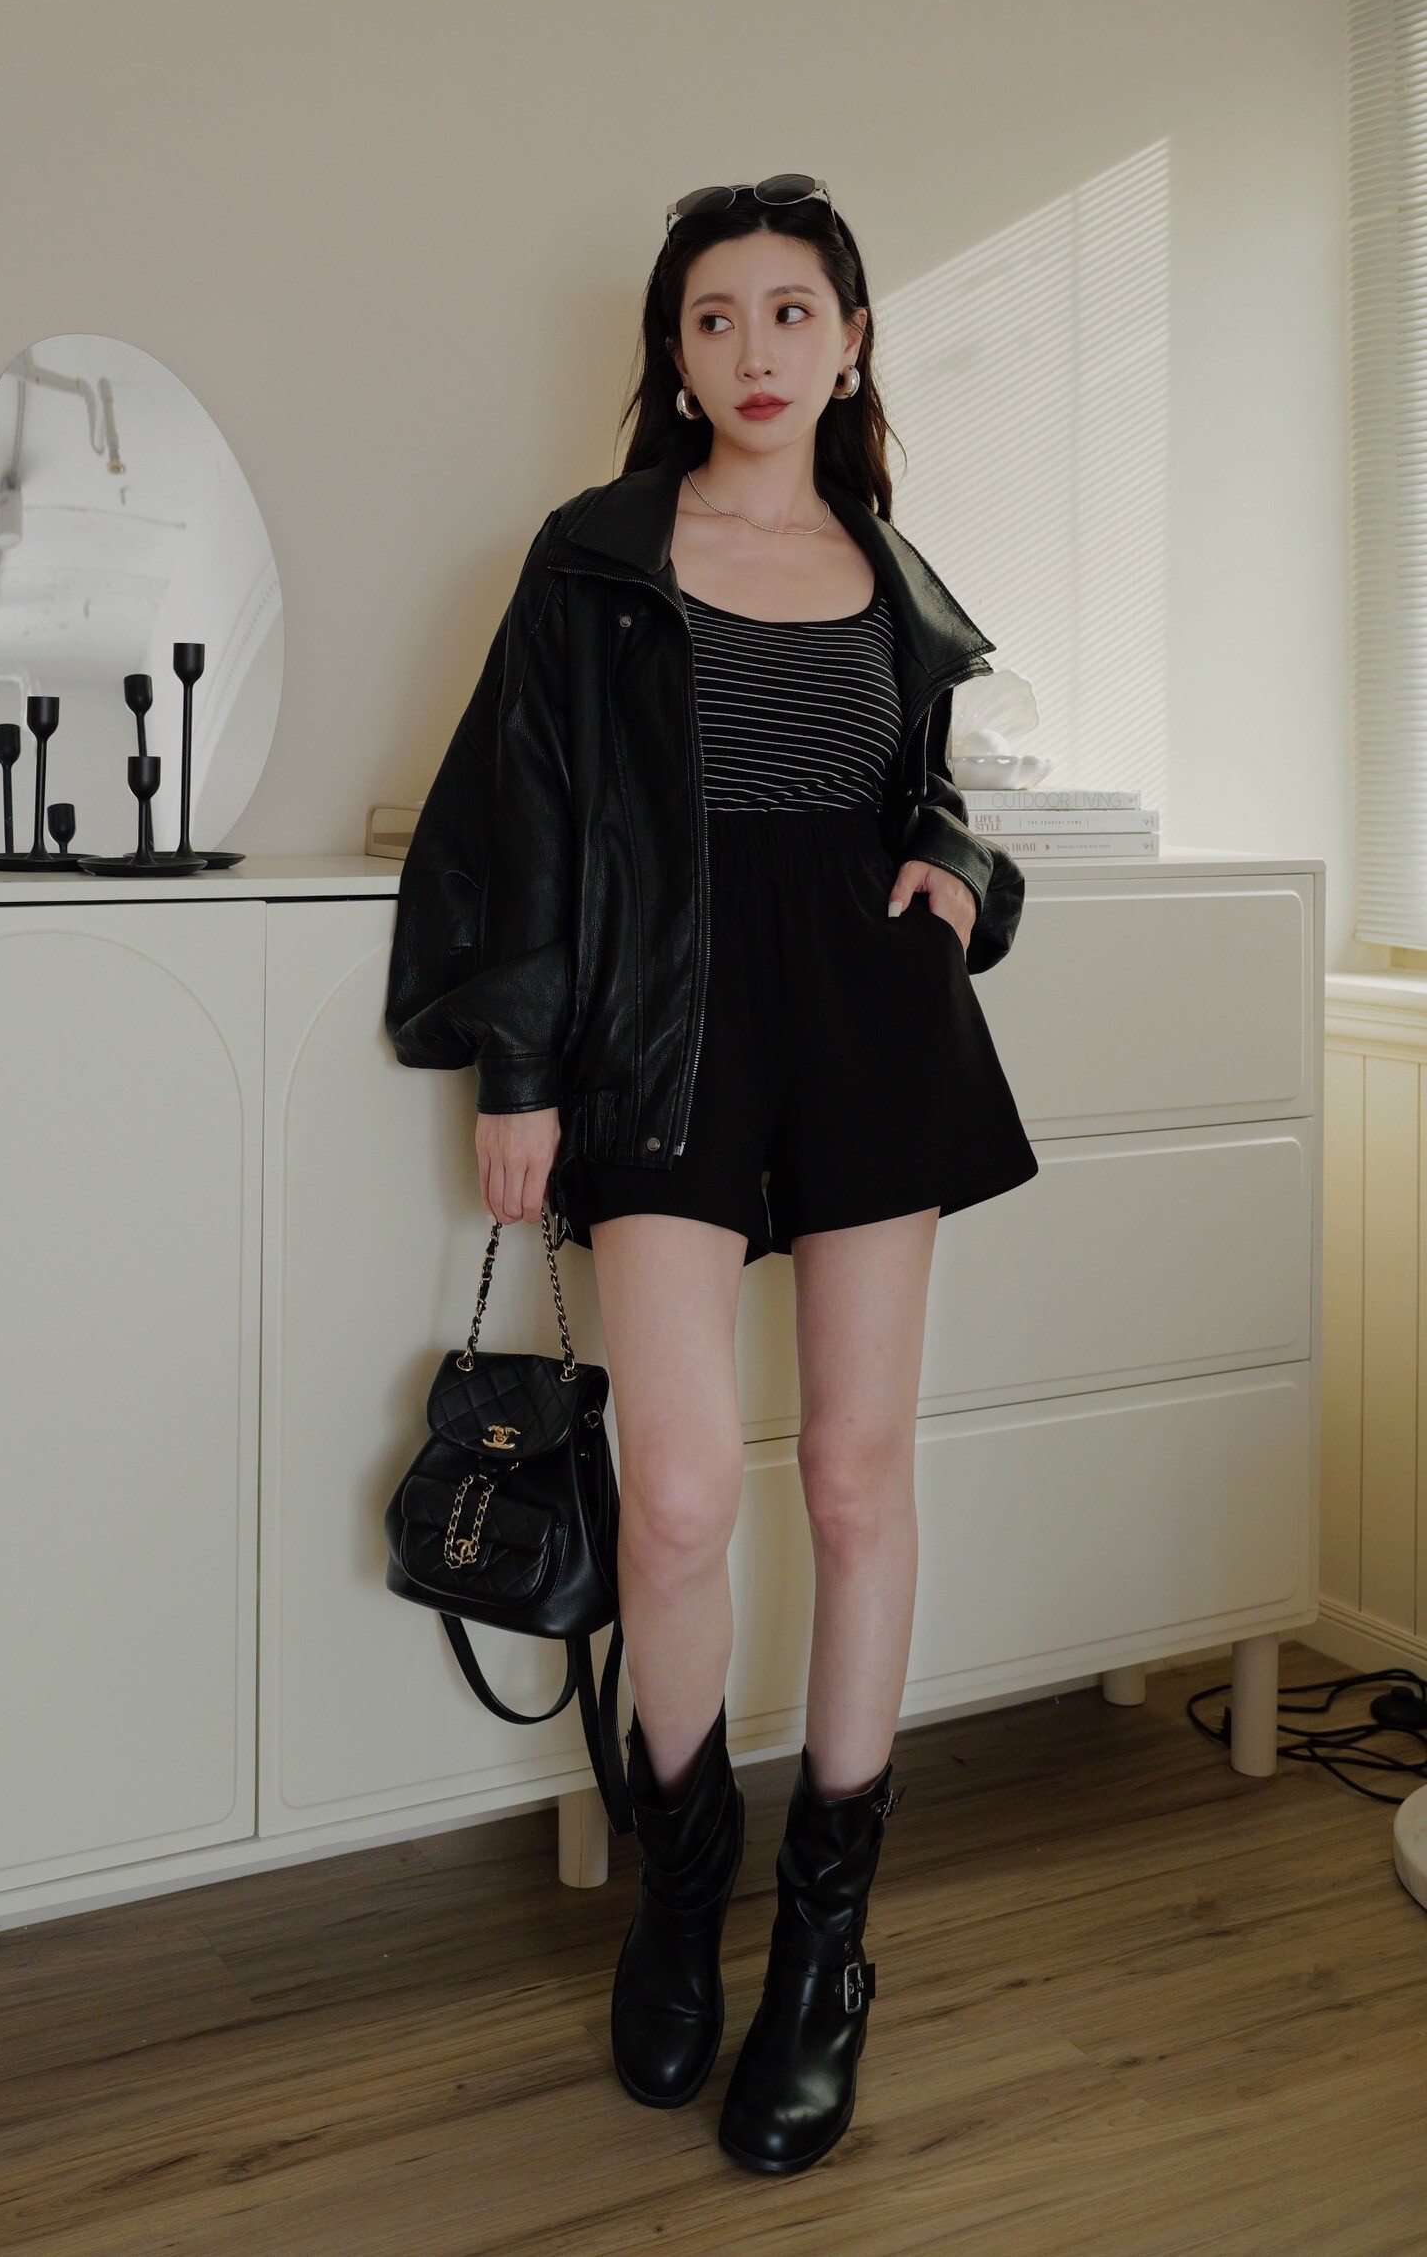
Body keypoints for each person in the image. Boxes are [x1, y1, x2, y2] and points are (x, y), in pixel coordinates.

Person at [385, 174, 1039, 2176]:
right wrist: (518, 1066)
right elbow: (514, 814)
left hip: (865, 1024)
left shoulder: (891, 570)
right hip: (659, 1026)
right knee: (673, 1493)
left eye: (790, 311)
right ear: (672, 359)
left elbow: (929, 799)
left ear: (849, 342)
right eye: (713, 318)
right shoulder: (594, 557)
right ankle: (682, 1891)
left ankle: (825, 1946)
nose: (755, 350)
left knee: (852, 1476)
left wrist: (964, 871)